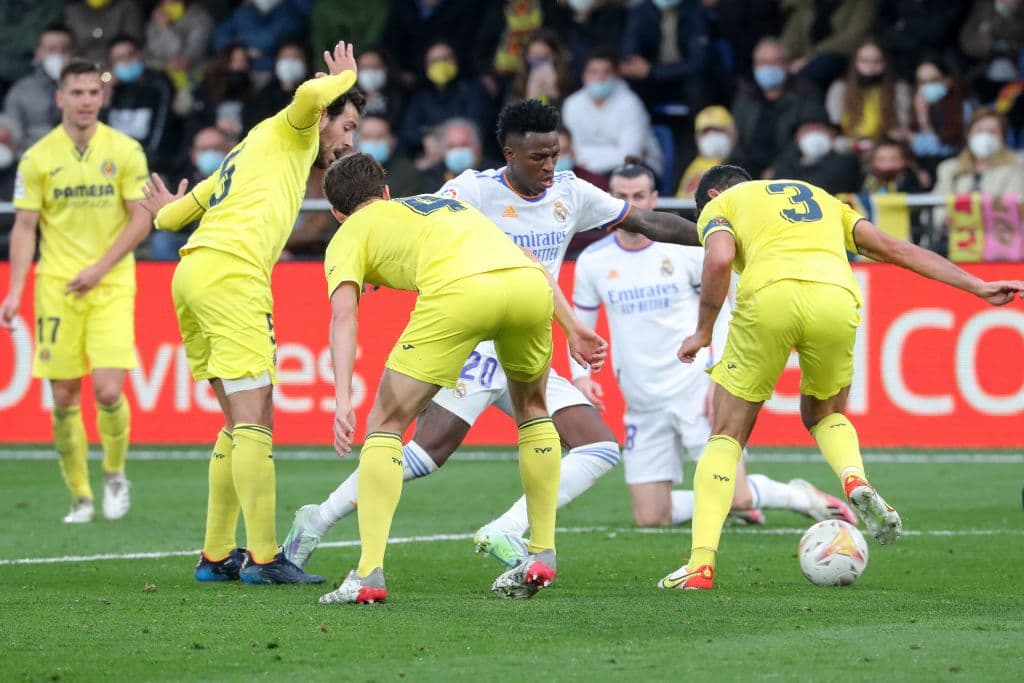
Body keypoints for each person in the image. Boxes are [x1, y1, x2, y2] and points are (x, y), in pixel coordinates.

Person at [281, 99, 699, 573]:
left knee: (598, 446)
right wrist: (375, 255)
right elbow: (420, 226)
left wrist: (715, 233)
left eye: (555, 154)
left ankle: (507, 527)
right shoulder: (471, 189)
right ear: (510, 154)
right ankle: (320, 520)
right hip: (471, 336)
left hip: (525, 322)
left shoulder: (574, 192)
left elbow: (646, 223)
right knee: (426, 451)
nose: (549, 165)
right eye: (538, 157)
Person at [658, 164, 1024, 590]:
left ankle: (701, 564)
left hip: (771, 298)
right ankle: (854, 477)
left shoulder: (721, 204)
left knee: (727, 433)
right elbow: (894, 248)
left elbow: (720, 258)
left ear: (713, 194)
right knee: (824, 413)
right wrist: (977, 286)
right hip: (836, 299)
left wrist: (703, 331)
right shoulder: (820, 197)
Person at [314, 153, 594, 605]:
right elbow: (527, 258)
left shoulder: (349, 233)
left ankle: (367, 574)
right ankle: (541, 552)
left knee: (385, 423)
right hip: (528, 286)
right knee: (534, 411)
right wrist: (574, 327)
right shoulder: (442, 204)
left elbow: (344, 316)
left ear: (336, 213)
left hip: (462, 292)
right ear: (386, 192)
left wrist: (342, 398)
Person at [140, 41, 364, 585]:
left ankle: (217, 553)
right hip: (232, 276)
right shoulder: (294, 129)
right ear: (325, 118)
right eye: (348, 127)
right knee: (257, 418)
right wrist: (344, 79)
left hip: (193, 274)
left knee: (236, 423)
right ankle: (264, 557)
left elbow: (178, 213)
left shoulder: (250, 148)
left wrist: (164, 209)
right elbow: (308, 95)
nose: (350, 141)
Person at [574, 159, 855, 528]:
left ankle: (800, 496)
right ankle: (725, 505)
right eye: (621, 196)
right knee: (651, 517)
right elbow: (580, 326)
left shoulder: (688, 249)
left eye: (639, 195)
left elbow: (725, 311)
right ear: (610, 198)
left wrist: (717, 376)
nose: (631, 204)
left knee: (737, 495)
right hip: (642, 401)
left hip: (694, 388)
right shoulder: (593, 261)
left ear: (654, 198)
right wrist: (581, 376)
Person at [0, 58, 152, 524]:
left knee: (107, 390)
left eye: (92, 93)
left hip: (111, 284)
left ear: (102, 98)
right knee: (64, 395)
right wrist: (14, 291)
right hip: (57, 288)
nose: (86, 101)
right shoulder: (37, 157)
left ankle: (115, 473)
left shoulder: (125, 150)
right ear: (60, 98)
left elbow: (142, 218)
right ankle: (81, 496)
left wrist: (100, 268)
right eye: (77, 93)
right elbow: (25, 227)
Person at [149, 126, 232, 260]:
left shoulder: (239, 180)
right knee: (162, 240)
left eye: (217, 148)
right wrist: (171, 211)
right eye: (204, 149)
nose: (210, 153)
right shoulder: (180, 182)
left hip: (227, 241)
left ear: (230, 151)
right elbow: (170, 223)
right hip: (188, 240)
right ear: (193, 154)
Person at [3, 25, 73, 154]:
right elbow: (12, 135)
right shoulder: (21, 91)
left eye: (65, 50)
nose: (58, 55)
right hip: (33, 159)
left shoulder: (88, 89)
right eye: (51, 49)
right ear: (39, 52)